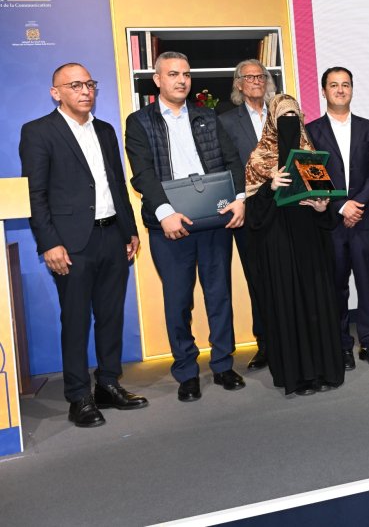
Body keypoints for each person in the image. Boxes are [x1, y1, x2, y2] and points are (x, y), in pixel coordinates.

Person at [19, 63, 146, 428]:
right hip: (71, 243)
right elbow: (35, 194)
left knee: (111, 315)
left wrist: (129, 230)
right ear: (55, 92)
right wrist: (49, 243)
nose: (85, 90)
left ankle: (108, 384)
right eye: (75, 85)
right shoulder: (38, 132)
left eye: (89, 84)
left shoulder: (105, 130)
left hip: (112, 235)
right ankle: (79, 397)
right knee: (75, 320)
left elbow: (117, 184)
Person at [125, 51, 246, 402]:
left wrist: (240, 198)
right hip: (169, 225)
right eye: (173, 74)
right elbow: (142, 173)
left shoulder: (207, 116)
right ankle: (187, 372)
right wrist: (165, 213)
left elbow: (232, 160)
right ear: (157, 80)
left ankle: (223, 364)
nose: (182, 80)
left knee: (219, 295)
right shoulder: (140, 121)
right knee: (178, 301)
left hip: (213, 220)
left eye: (186, 74)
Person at [244, 94, 345, 395]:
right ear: (272, 122)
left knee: (316, 305)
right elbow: (253, 216)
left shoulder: (310, 157)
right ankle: (298, 376)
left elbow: (326, 210)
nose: (288, 123)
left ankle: (323, 371)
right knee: (289, 307)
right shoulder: (258, 159)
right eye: (282, 118)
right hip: (278, 247)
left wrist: (321, 207)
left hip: (310, 244)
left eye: (293, 118)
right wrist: (270, 187)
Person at [306, 67, 369, 369]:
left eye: (345, 85)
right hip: (331, 221)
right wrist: (342, 206)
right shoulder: (311, 131)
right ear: (324, 91)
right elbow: (312, 174)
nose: (340, 90)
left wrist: (357, 203)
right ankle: (341, 346)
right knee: (336, 285)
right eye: (334, 85)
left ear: (352, 89)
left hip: (366, 219)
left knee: (367, 283)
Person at [218, 59, 275, 371]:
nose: (256, 81)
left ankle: (290, 338)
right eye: (249, 77)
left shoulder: (281, 114)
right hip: (249, 210)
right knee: (257, 279)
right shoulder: (226, 121)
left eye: (260, 76)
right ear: (238, 84)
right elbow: (227, 166)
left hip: (284, 207)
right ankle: (265, 344)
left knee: (285, 275)